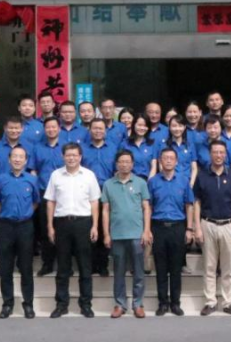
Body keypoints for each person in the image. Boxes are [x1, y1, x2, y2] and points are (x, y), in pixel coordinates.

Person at [45, 143, 101, 318]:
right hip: (62, 223)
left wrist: (95, 225)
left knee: (85, 266)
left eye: (74, 155)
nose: (71, 158)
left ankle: (86, 304)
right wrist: (50, 226)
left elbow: (94, 202)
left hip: (83, 223)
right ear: (63, 157)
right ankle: (61, 304)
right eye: (68, 155)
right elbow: (51, 202)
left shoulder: (89, 175)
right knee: (63, 267)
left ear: (80, 157)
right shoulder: (56, 175)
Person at [193, 141, 231, 316]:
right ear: (210, 154)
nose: (218, 155)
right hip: (208, 224)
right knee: (209, 266)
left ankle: (228, 302)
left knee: (228, 267)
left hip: (230, 224)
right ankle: (210, 301)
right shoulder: (202, 176)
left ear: (226, 154)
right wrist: (197, 227)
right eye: (215, 152)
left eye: (221, 152)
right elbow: (197, 202)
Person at [101, 150, 152, 319]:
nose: (124, 164)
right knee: (119, 272)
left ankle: (138, 304)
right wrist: (106, 234)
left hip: (137, 234)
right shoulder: (108, 184)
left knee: (138, 271)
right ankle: (120, 304)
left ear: (132, 164)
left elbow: (146, 208)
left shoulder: (140, 183)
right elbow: (105, 210)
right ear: (116, 164)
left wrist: (146, 230)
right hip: (117, 235)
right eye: (121, 161)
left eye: (127, 161)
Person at [0, 146, 40, 319]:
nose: (17, 159)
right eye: (14, 156)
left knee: (26, 267)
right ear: (9, 159)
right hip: (6, 227)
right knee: (5, 268)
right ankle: (7, 304)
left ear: (26, 161)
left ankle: (28, 304)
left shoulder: (32, 180)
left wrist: (25, 214)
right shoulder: (0, 179)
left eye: (21, 157)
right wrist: (6, 216)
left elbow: (35, 202)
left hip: (25, 227)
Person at [149, 148, 195, 316]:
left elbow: (189, 205)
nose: (168, 161)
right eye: (165, 158)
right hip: (158, 227)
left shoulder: (183, 181)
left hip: (178, 227)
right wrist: (147, 229)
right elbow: (149, 206)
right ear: (160, 161)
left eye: (171, 158)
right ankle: (162, 303)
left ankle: (175, 303)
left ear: (176, 161)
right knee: (161, 268)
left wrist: (189, 229)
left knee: (176, 268)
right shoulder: (153, 182)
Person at [0, 117, 34, 248]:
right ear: (5, 129)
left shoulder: (29, 147)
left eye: (17, 128)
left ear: (22, 129)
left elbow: (32, 171)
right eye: (11, 128)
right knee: (4, 235)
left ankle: (22, 259)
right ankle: (4, 259)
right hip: (2, 197)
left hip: (23, 197)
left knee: (24, 237)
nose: (14, 131)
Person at [81, 119, 119, 277]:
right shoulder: (82, 149)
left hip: (107, 189)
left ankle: (103, 264)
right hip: (85, 192)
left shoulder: (114, 148)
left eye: (101, 128)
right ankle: (90, 265)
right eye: (95, 128)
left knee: (105, 227)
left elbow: (117, 171)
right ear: (89, 130)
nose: (98, 131)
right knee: (88, 226)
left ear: (105, 131)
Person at [33, 117, 64, 276]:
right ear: (44, 130)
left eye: (54, 127)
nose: (51, 130)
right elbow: (33, 170)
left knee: (63, 230)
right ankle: (47, 263)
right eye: (48, 127)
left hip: (64, 194)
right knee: (46, 229)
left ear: (59, 128)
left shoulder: (66, 147)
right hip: (44, 192)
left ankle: (64, 264)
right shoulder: (37, 147)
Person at [121, 113, 158, 179]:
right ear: (133, 125)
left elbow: (153, 167)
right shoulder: (125, 144)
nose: (142, 128)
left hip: (147, 180)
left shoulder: (152, 144)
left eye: (145, 126)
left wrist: (149, 182)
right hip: (129, 180)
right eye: (139, 125)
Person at [167, 115, 198, 186]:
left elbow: (194, 168)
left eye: (180, 126)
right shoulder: (165, 146)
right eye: (174, 126)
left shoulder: (190, 145)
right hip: (170, 183)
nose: (177, 129)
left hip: (187, 182)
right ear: (169, 127)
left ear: (184, 127)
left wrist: (191, 184)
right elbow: (162, 167)